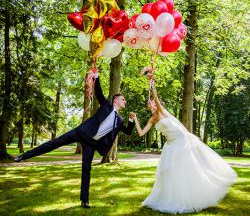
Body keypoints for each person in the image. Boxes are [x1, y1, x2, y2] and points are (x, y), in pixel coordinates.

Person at [14, 73, 135, 208]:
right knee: (55, 143)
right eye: (123, 99)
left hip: (91, 143)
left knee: (86, 170)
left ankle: (85, 200)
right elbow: (98, 91)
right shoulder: (106, 105)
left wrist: (131, 120)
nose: (125, 101)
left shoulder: (120, 120)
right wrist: (96, 77)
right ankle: (24, 156)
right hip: (81, 132)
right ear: (116, 100)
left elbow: (128, 132)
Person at [130, 85, 237, 214]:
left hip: (182, 142)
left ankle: (196, 195)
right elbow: (141, 133)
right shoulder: (152, 119)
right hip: (170, 146)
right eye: (150, 101)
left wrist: (152, 85)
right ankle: (172, 197)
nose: (149, 102)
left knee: (187, 170)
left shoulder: (162, 111)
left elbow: (156, 98)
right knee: (170, 173)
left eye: (151, 100)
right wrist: (135, 120)